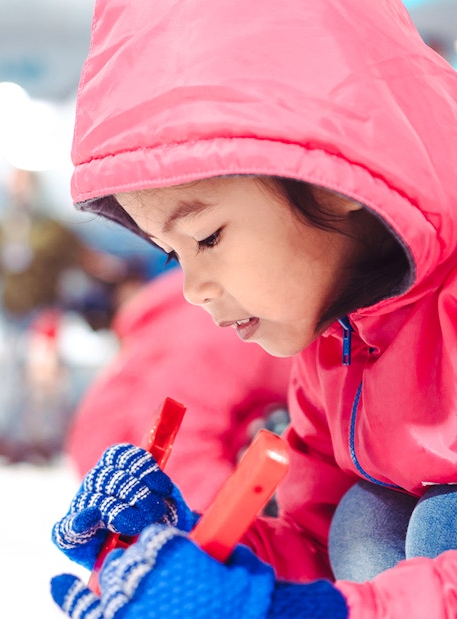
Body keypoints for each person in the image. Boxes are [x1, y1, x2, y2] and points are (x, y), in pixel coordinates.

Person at [49, 1, 457, 618]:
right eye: (171, 256)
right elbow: (316, 551)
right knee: (362, 517)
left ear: (335, 178)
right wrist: (190, 549)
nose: (192, 289)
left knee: (435, 522)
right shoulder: (339, 343)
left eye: (208, 237)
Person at [65, 266, 292, 512]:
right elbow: (179, 448)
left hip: (128, 485)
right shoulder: (188, 330)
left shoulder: (176, 332)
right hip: (138, 490)